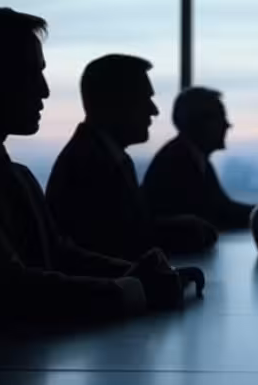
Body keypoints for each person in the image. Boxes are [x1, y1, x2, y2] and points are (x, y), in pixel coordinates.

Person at [0, 9, 203, 335]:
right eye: (30, 74)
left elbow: (58, 253)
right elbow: (4, 289)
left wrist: (137, 276)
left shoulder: (12, 175)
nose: (45, 91)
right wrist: (134, 287)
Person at [46, 56, 217, 261]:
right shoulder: (88, 165)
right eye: (145, 99)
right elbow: (115, 244)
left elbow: (127, 231)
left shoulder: (103, 156)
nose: (154, 110)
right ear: (116, 103)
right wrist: (181, 230)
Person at [142, 86, 256, 231]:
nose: (227, 125)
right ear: (196, 122)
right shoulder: (177, 163)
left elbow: (223, 209)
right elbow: (217, 214)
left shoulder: (193, 158)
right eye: (219, 117)